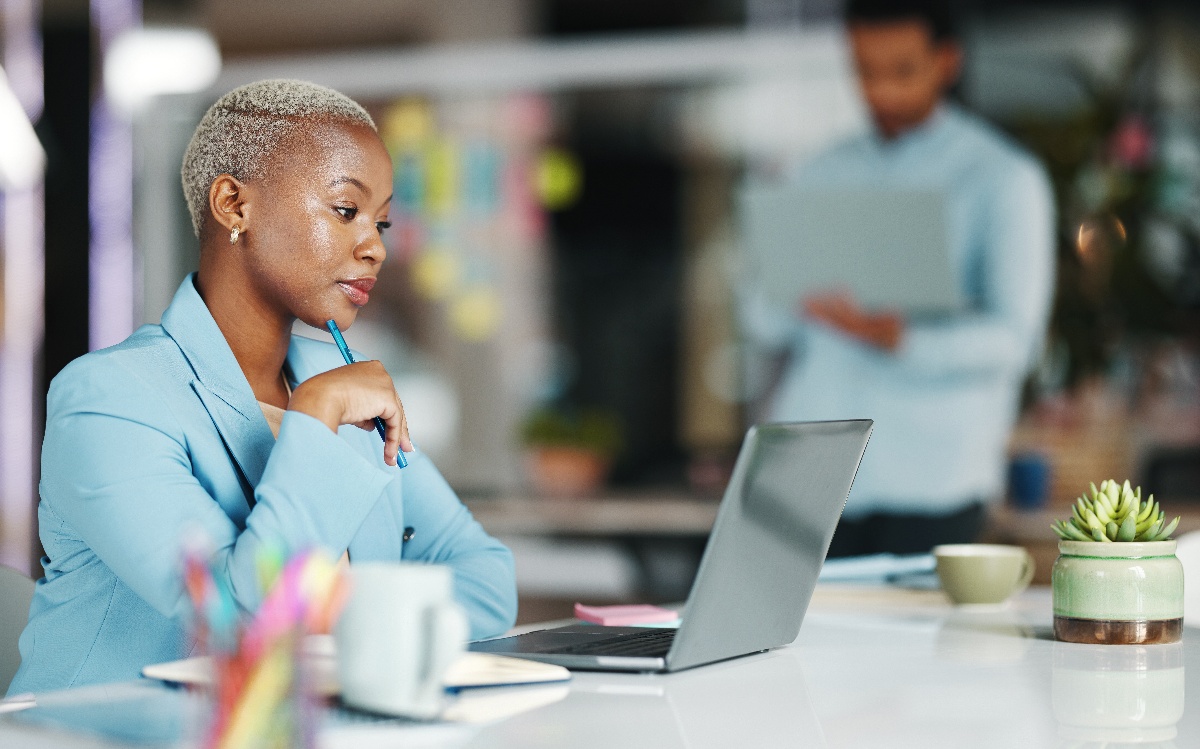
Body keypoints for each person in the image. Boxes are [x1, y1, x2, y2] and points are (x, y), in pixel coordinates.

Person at [9, 80, 517, 695]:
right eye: (346, 210)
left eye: (381, 222)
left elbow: (488, 582)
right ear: (234, 204)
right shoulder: (110, 401)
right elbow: (245, 621)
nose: (375, 247)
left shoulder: (343, 385)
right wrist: (315, 415)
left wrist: (331, 617)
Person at [741, 0, 1055, 556]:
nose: (882, 92)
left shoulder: (1003, 179)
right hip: (812, 481)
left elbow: (1015, 344)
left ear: (946, 61)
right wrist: (790, 290)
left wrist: (898, 337)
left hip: (932, 482)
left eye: (902, 71)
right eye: (865, 71)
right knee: (800, 644)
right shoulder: (816, 173)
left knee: (919, 644)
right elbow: (764, 322)